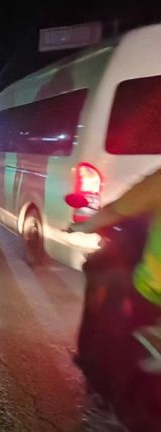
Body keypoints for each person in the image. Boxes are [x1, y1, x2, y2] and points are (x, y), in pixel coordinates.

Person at [70, 168, 161, 430]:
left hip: (152, 294)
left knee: (112, 340)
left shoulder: (157, 182)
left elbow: (114, 211)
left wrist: (81, 226)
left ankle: (110, 411)